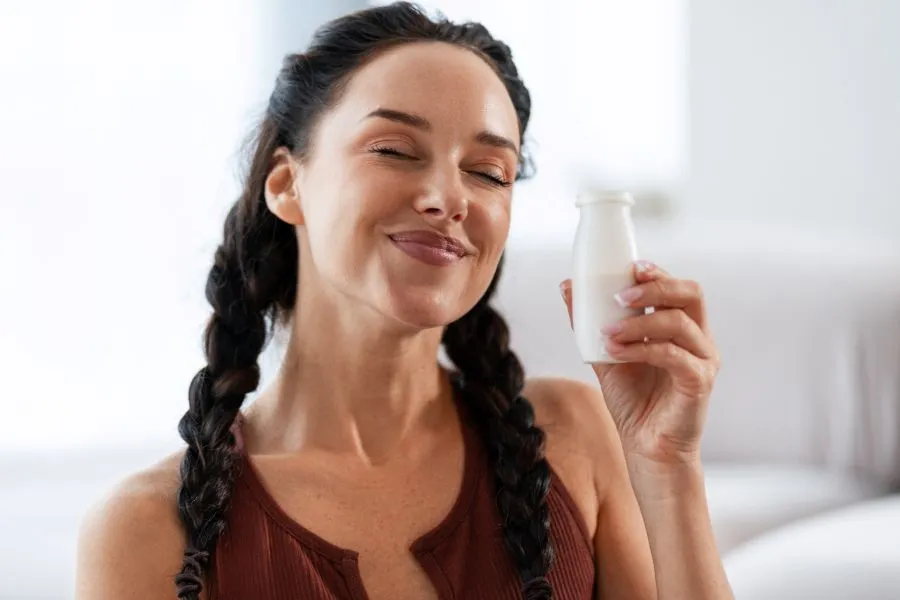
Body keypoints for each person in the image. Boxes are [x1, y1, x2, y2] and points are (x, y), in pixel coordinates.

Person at [75, 3, 733, 599]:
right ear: (287, 185)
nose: (449, 198)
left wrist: (667, 466)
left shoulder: (573, 438)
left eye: (487, 172)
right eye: (394, 150)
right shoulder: (147, 531)